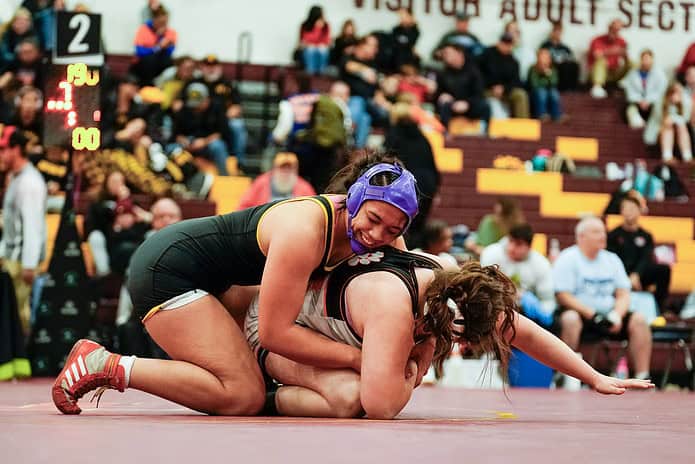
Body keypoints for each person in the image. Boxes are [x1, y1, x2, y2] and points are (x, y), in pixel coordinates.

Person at [51, 153, 419, 415]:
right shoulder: (305, 231)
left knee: (253, 385)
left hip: (222, 282)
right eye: (372, 220)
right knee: (242, 395)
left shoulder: (384, 230)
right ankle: (106, 363)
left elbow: (413, 281)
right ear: (354, 198)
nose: (376, 235)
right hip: (168, 272)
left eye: (392, 230)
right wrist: (361, 359)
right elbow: (275, 334)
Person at [247, 248, 654, 418]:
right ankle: (263, 392)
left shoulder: (448, 284)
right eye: (458, 342)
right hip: (274, 333)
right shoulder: (396, 307)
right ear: (453, 329)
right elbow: (382, 407)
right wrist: (422, 355)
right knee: (350, 400)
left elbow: (524, 333)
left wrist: (593, 376)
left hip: (312, 327)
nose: (457, 347)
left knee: (370, 378)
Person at [553, 216, 652, 382]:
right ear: (581, 236)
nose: (603, 236)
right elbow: (563, 295)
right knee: (570, 319)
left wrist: (617, 315)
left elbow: (623, 293)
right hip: (581, 314)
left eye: (603, 231)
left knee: (639, 320)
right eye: (596, 232)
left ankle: (643, 376)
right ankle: (564, 375)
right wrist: (591, 314)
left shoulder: (612, 259)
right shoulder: (568, 258)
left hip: (609, 315)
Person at [0, 125, 47, 335]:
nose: (0, 155)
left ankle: (22, 360)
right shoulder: (16, 178)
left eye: (3, 149)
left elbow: (32, 225)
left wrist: (29, 264)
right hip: (12, 259)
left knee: (18, 317)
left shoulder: (28, 182)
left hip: (20, 263)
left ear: (16, 150)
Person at [607, 195, 671, 311]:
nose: (629, 212)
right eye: (625, 209)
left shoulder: (646, 236)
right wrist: (626, 277)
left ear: (639, 211)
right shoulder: (613, 235)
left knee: (664, 270)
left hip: (639, 275)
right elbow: (612, 259)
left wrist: (636, 274)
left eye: (632, 208)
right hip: (619, 274)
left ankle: (659, 308)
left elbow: (646, 258)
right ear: (621, 211)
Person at [237, 152, 316, 210]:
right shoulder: (261, 183)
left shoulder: (305, 188)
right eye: (282, 167)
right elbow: (243, 207)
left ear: (296, 169)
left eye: (289, 168)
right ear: (274, 168)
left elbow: (313, 211)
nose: (286, 171)